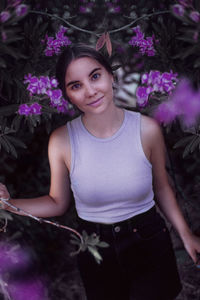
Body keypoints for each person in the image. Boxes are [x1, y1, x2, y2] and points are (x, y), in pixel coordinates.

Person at [0, 44, 200, 300]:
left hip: (148, 240)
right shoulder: (61, 141)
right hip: (95, 249)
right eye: (76, 85)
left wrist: (186, 235)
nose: (90, 91)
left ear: (111, 76)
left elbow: (162, 187)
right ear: (67, 96)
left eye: (95, 76)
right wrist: (7, 204)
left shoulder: (147, 130)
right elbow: (56, 202)